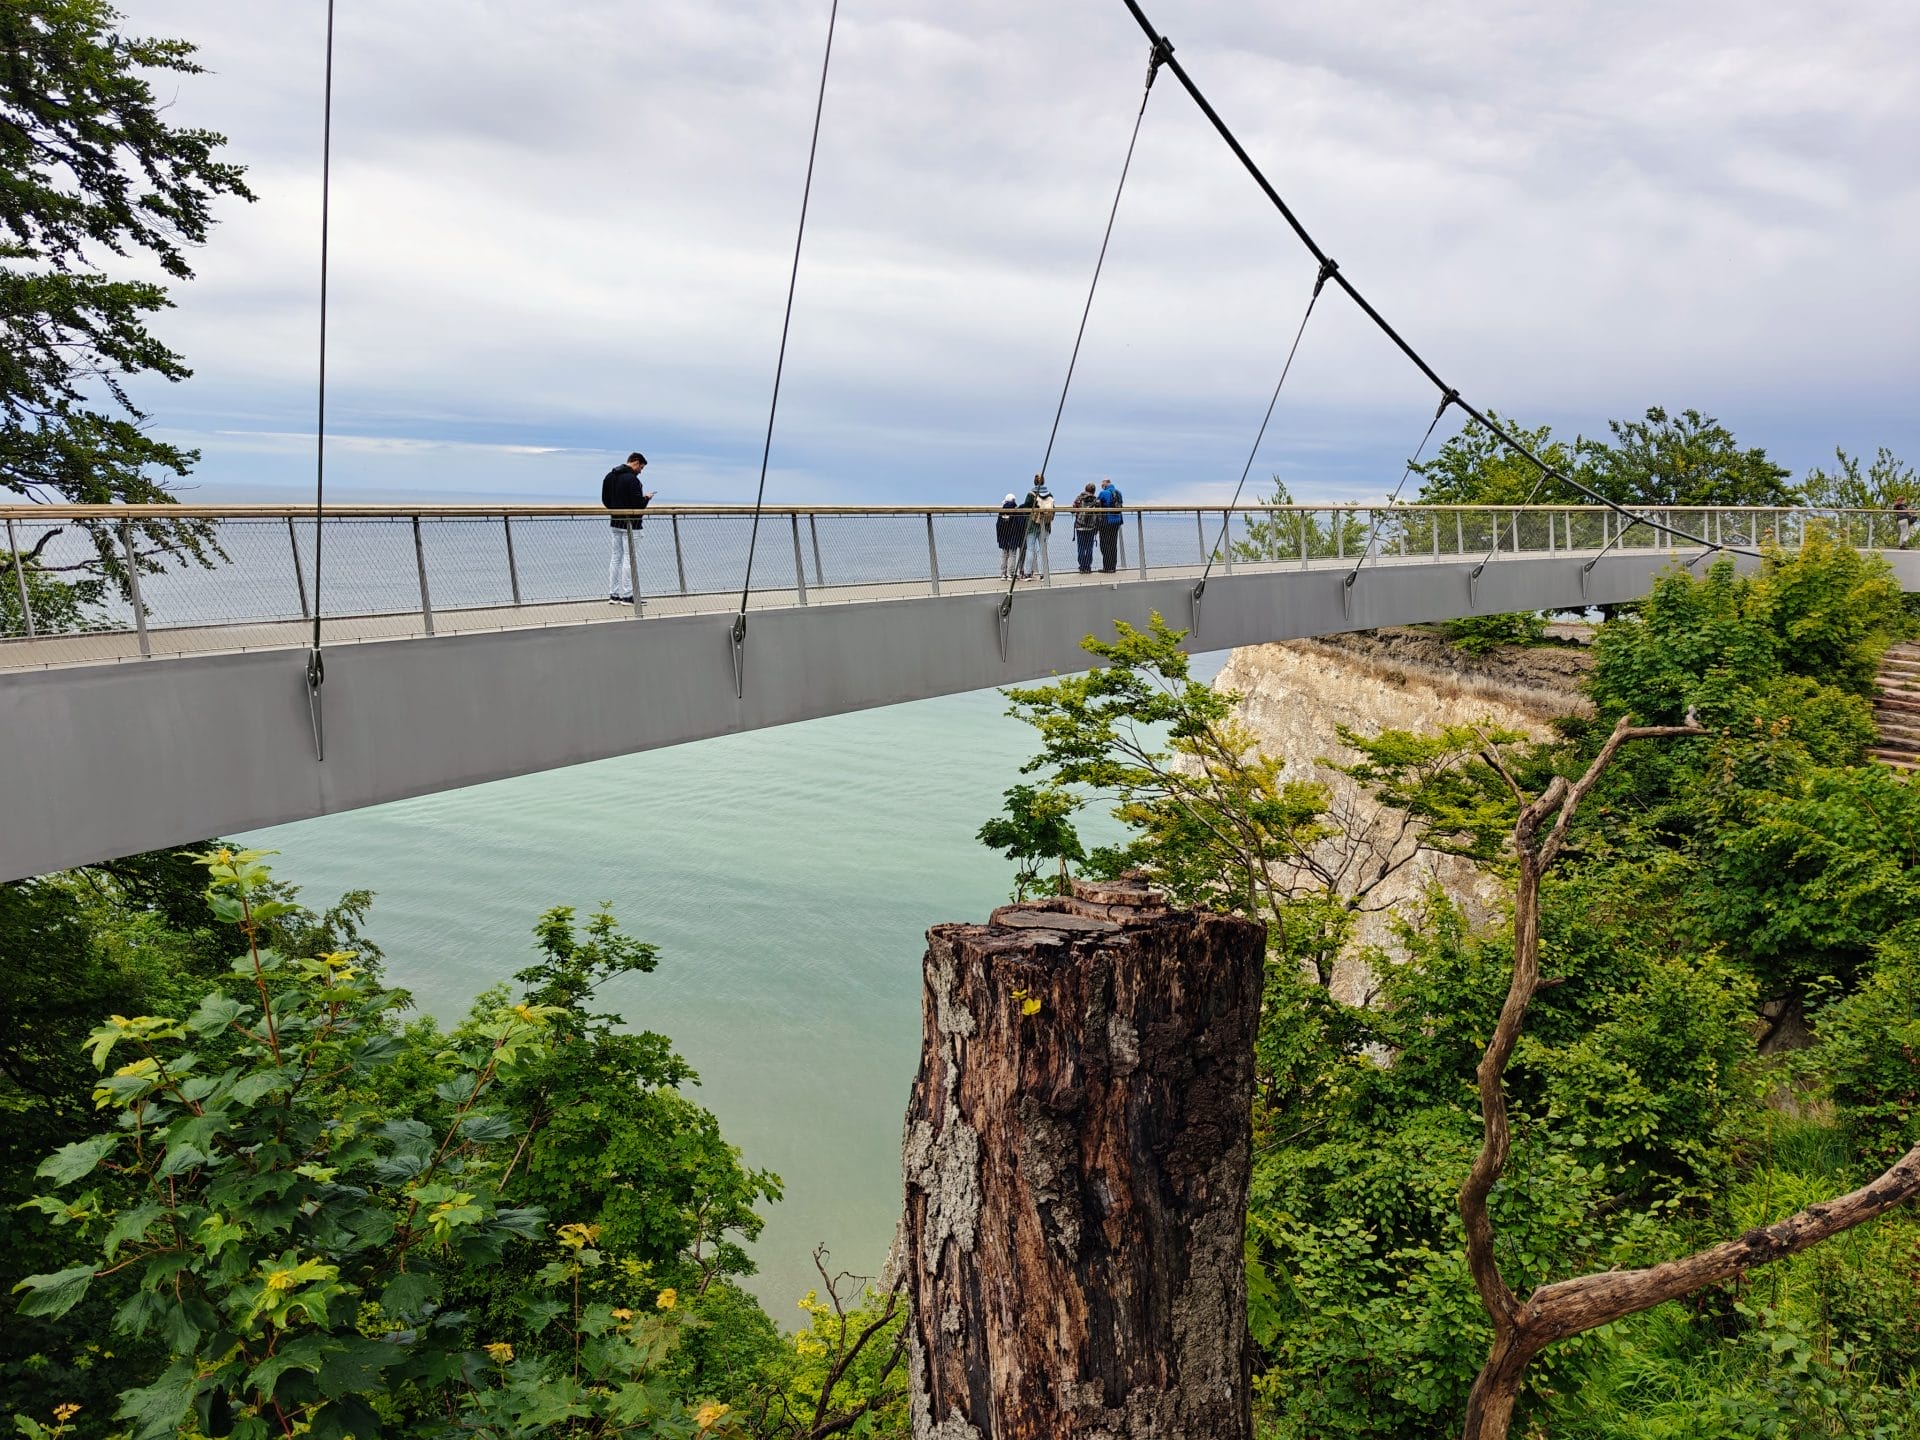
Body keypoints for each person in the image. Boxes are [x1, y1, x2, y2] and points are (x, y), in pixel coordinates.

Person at [601, 452, 653, 602]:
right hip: (632, 524)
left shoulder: (610, 476)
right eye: (641, 467)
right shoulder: (632, 480)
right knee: (629, 559)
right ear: (635, 462)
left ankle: (614, 594)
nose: (641, 471)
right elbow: (638, 505)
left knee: (616, 558)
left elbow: (605, 500)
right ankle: (628, 596)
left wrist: (615, 510)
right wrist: (646, 498)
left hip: (615, 522)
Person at [1018, 474, 1054, 579]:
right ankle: (1044, 573)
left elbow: (1026, 506)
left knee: (1030, 548)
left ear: (1034, 482)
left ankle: (1028, 573)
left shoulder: (1031, 494)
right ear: (1043, 481)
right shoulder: (1050, 494)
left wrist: (1019, 508)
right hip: (1045, 524)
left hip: (1033, 524)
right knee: (1043, 548)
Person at [1095, 476, 1124, 573]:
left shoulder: (1103, 493)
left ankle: (1107, 567)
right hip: (1117, 521)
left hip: (1106, 521)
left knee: (1104, 544)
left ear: (1106, 484)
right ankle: (1113, 567)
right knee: (1113, 544)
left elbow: (1096, 503)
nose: (1102, 486)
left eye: (1102, 484)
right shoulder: (1119, 493)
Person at [1071, 482, 1100, 573]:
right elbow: (1099, 513)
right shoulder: (1096, 500)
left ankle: (1082, 566)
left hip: (1080, 526)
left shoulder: (1079, 498)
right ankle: (1088, 567)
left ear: (1085, 489)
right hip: (1091, 526)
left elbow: (1073, 509)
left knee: (1081, 547)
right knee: (1089, 548)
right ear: (1094, 491)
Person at [995, 493, 1024, 579]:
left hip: (1004, 535)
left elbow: (998, 525)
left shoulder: (1002, 511)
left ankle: (1003, 574)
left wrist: (999, 537)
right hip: (1014, 535)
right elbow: (1020, 523)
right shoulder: (1016, 510)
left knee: (1004, 554)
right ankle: (1010, 574)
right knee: (1012, 554)